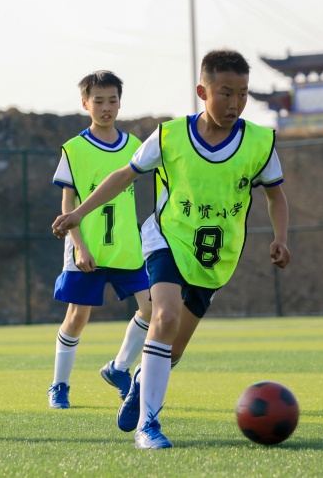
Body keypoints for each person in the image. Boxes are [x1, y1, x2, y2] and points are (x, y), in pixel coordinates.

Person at [52, 49, 290, 449]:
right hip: (166, 240)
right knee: (162, 315)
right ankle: (149, 425)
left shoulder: (259, 143)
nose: (235, 103)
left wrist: (281, 237)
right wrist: (78, 213)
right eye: (225, 93)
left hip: (215, 260)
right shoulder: (169, 135)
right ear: (203, 91)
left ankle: (141, 381)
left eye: (244, 94)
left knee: (172, 349)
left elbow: (276, 196)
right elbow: (124, 174)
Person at [47, 70, 153, 410]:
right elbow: (68, 204)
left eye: (112, 100)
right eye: (98, 101)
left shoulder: (136, 147)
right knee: (78, 316)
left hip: (126, 247)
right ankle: (59, 386)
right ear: (85, 103)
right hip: (88, 248)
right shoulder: (74, 149)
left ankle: (119, 369)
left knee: (153, 310)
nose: (106, 107)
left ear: (120, 103)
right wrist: (79, 245)